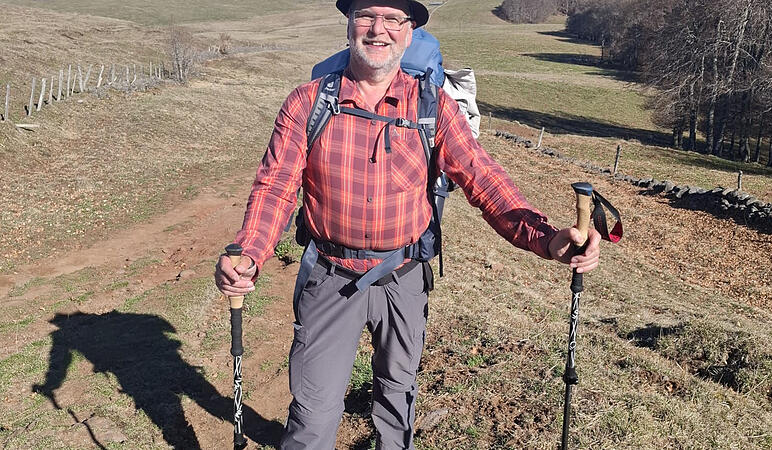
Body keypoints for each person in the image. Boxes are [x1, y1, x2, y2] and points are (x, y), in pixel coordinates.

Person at [215, 0, 601, 448]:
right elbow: (275, 189)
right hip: (329, 275)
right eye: (366, 15)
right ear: (348, 24)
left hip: (404, 277)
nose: (378, 29)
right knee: (313, 412)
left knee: (397, 400)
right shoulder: (308, 103)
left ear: (410, 29)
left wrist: (548, 238)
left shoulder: (431, 105)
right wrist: (250, 253)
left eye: (393, 18)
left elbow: (484, 179)